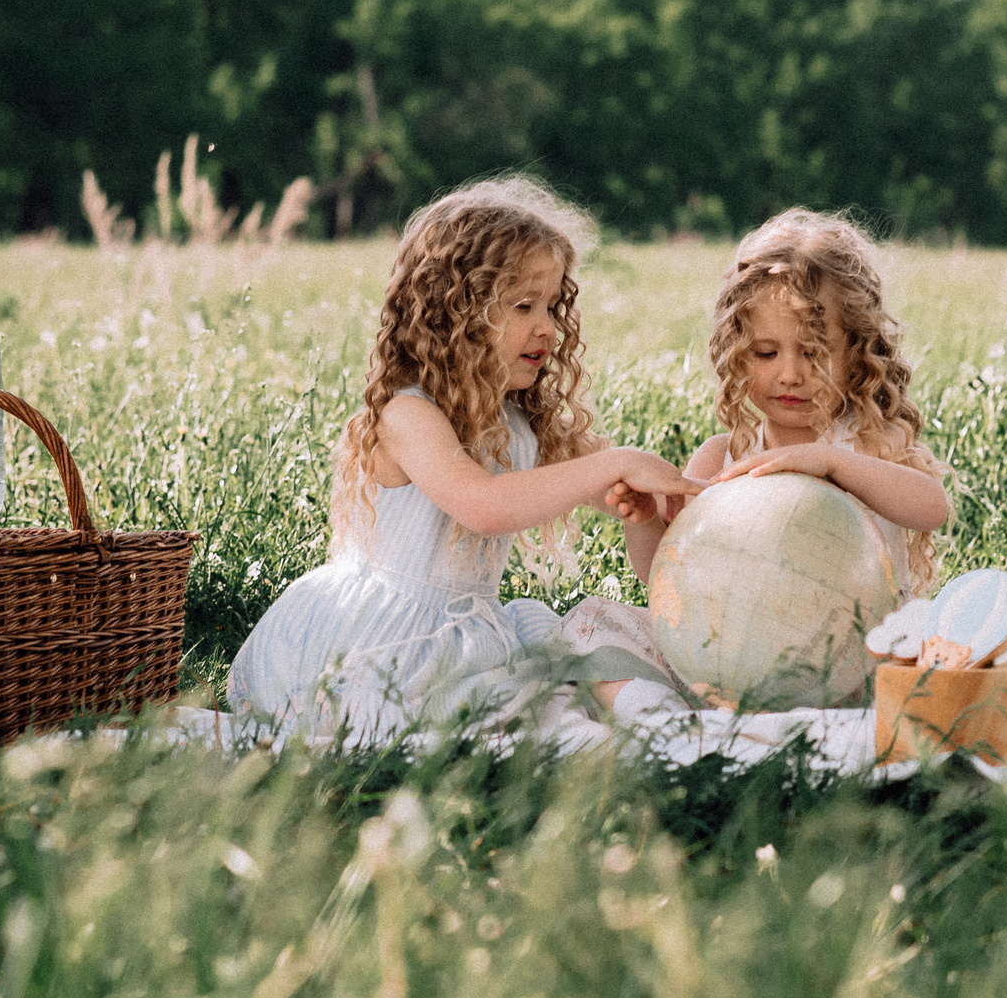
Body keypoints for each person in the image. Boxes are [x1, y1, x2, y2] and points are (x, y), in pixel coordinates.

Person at [228, 179, 698, 741]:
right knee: (482, 722)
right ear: (454, 315)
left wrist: (644, 504)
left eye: (551, 306)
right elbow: (483, 505)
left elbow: (619, 505)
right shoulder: (407, 414)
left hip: (468, 631)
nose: (547, 327)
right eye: (523, 306)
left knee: (568, 676)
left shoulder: (522, 420)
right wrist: (615, 462)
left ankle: (659, 728)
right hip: (381, 641)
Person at [610, 207, 951, 597]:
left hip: (860, 643)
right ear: (737, 355)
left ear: (856, 351)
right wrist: (645, 521)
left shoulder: (867, 442)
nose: (790, 374)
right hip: (746, 647)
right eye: (766, 354)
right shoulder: (723, 458)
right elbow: (667, 567)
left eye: (812, 353)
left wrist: (833, 463)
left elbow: (931, 509)